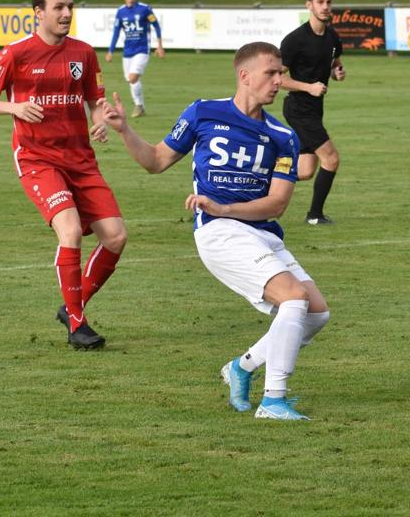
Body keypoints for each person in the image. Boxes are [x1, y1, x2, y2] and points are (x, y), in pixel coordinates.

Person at [102, 41, 330, 421]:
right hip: (219, 232)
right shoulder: (202, 112)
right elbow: (156, 161)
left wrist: (226, 205)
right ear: (244, 75)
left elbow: (277, 204)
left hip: (259, 230)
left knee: (317, 314)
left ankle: (242, 367)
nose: (279, 81)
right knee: (293, 299)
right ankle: (274, 400)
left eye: (281, 74)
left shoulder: (283, 135)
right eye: (271, 73)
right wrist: (125, 129)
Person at [0, 0, 127, 350]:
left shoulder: (84, 54)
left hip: (81, 160)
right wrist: (13, 107)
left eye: (70, 6)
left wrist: (102, 120)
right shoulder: (16, 53)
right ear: (38, 12)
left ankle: (72, 305)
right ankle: (77, 324)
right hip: (37, 159)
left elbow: (94, 99)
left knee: (116, 237)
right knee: (70, 231)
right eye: (58, 7)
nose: (66, 14)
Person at [280, 0, 345, 226]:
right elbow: (278, 79)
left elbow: (335, 63)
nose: (326, 7)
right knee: (331, 159)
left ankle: (258, 175)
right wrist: (309, 87)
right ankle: (315, 215)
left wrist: (337, 72)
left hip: (315, 110)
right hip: (298, 109)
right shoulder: (295, 40)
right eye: (320, 2)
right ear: (309, 5)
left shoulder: (332, 36)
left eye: (329, 2)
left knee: (305, 171)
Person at [106, 0, 164, 118]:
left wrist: (159, 45)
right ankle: (141, 107)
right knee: (131, 80)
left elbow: (156, 26)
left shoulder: (145, 9)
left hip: (143, 49)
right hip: (127, 52)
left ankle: (138, 106)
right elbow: (116, 32)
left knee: (132, 78)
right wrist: (110, 51)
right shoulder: (120, 12)